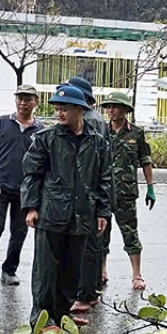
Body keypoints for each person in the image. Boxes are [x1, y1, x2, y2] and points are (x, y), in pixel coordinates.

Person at [22, 84, 111, 328]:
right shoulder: (46, 139)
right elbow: (32, 175)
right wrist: (31, 207)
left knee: (72, 269)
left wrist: (103, 211)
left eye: (65, 109)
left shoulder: (97, 141)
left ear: (80, 110)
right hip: (51, 213)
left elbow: (104, 178)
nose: (59, 113)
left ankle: (62, 313)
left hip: (82, 214)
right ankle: (41, 317)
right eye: (57, 109)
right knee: (46, 270)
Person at [0, 84, 42, 287]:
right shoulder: (1, 123)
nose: (23, 102)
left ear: (36, 102)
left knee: (19, 233)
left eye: (28, 99)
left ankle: (10, 270)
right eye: (20, 98)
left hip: (25, 191)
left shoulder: (40, 130)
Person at [100, 90, 157, 291]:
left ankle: (137, 275)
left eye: (115, 106)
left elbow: (145, 160)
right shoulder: (101, 131)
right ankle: (102, 271)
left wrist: (151, 187)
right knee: (101, 233)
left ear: (125, 110)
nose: (111, 110)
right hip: (104, 192)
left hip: (126, 192)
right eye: (108, 106)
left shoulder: (136, 133)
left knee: (130, 233)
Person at [64, 76, 110, 310]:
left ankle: (86, 294)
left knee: (87, 246)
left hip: (87, 193)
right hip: (91, 192)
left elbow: (93, 160)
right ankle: (89, 291)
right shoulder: (97, 119)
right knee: (91, 245)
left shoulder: (90, 121)